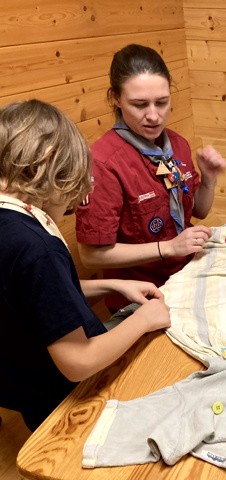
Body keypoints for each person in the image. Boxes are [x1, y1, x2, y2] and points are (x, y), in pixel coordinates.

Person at [0, 100, 171, 431]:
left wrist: (112, 285)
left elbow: (33, 297)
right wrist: (144, 319)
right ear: (52, 166)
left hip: (16, 379)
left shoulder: (10, 229)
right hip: (59, 397)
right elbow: (78, 362)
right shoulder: (36, 246)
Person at [75, 44, 226, 312]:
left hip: (187, 274)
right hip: (141, 298)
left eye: (162, 102)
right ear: (116, 98)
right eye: (139, 105)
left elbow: (200, 211)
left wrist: (209, 179)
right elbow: (90, 256)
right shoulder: (102, 163)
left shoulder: (177, 144)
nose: (154, 116)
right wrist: (167, 248)